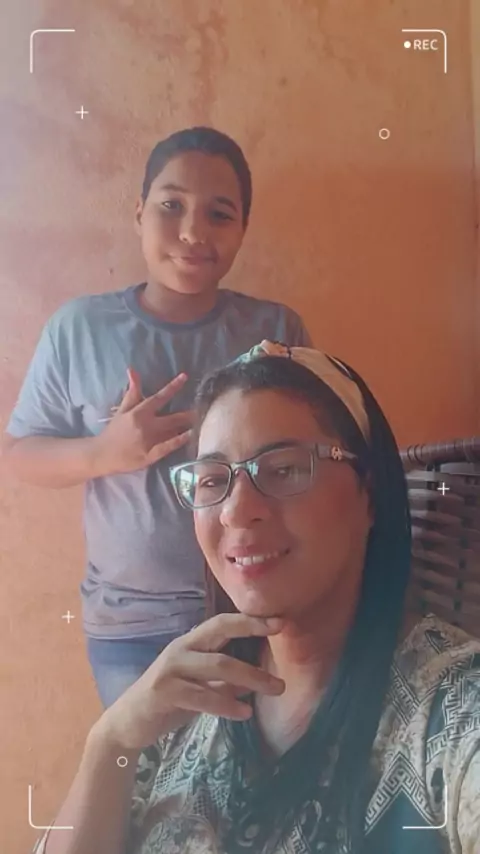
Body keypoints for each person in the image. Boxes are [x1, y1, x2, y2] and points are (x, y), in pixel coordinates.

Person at [31, 340, 480, 854]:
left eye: (284, 469)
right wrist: (108, 744)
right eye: (211, 480)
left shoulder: (454, 711)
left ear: (370, 495)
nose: (236, 511)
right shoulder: (180, 702)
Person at [1, 128, 312, 709]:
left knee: (270, 762)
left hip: (258, 605)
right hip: (131, 627)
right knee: (147, 767)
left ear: (243, 228)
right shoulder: (80, 328)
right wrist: (104, 453)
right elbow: (18, 454)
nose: (193, 232)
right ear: (139, 212)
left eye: (220, 214)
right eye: (172, 206)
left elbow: (309, 459)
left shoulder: (276, 330)